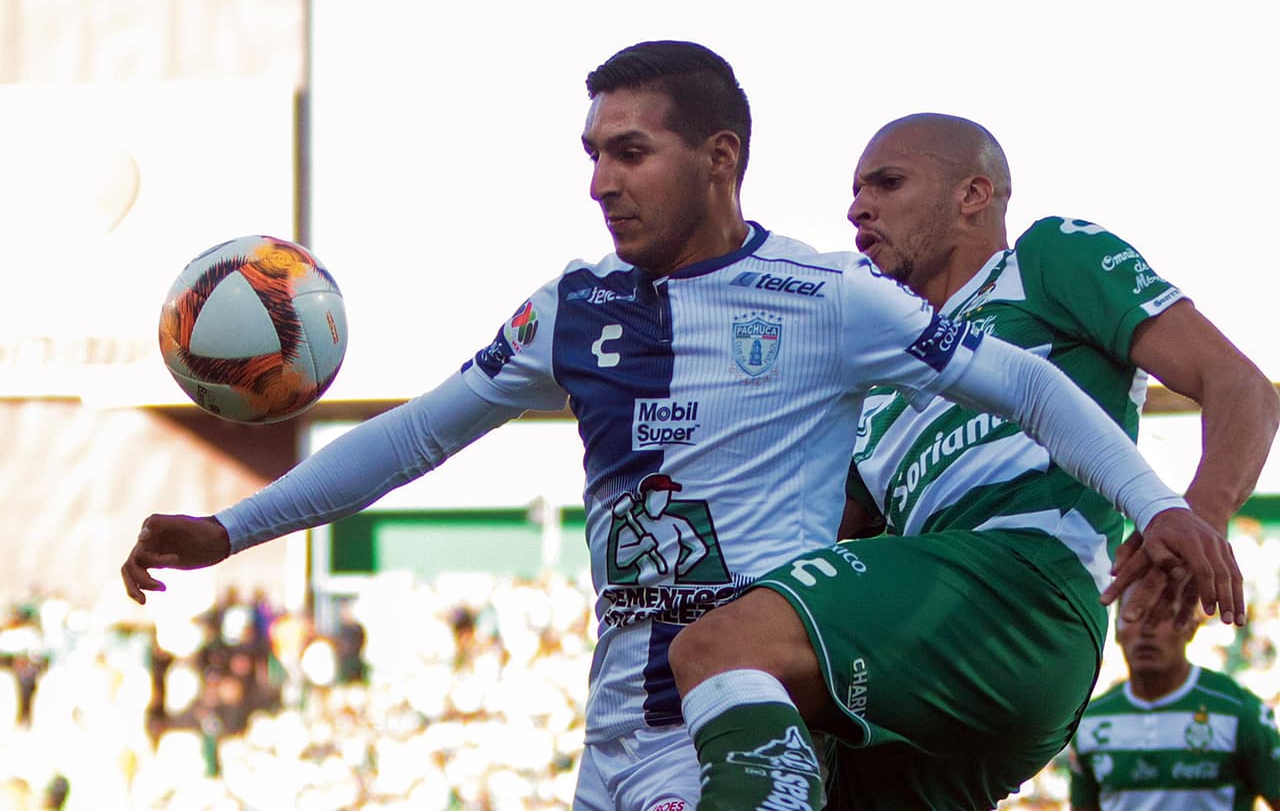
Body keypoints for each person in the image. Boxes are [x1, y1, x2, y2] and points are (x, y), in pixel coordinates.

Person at [121, 49, 1241, 810]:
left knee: (720, 645)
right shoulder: (571, 309)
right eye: (591, 155)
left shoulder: (831, 299)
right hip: (622, 711)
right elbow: (415, 437)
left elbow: (1034, 389)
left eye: (629, 151)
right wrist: (230, 528)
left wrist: (1165, 505)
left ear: (719, 158)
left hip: (754, 690)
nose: (599, 182)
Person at [668, 113, 1275, 809]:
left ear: (973, 195)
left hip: (1025, 587)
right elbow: (816, 528)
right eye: (855, 191)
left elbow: (1242, 386)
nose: (857, 208)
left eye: (887, 183)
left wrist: (1199, 515)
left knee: (726, 645)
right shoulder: (882, 367)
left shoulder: (1045, 260)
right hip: (941, 644)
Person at [1069, 588, 1280, 810]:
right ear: (1116, 631)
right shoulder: (1090, 721)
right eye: (1134, 614)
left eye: (1163, 615)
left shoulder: (1239, 712)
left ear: (1191, 628)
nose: (1146, 629)